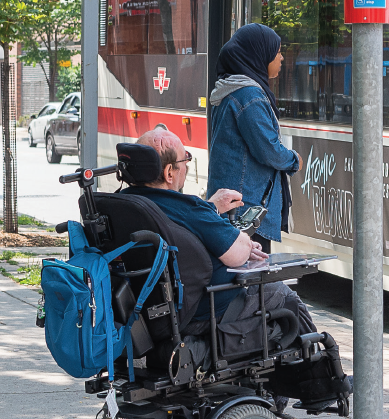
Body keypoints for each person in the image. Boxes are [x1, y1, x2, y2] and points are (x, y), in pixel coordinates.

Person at [123, 128, 315, 339]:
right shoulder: (187, 208)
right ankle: (323, 366)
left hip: (147, 315)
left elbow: (184, 230)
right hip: (202, 311)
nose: (186, 164)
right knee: (283, 296)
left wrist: (210, 208)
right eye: (185, 159)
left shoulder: (126, 204)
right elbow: (238, 253)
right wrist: (245, 243)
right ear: (169, 172)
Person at [208, 23, 301, 254]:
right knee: (252, 279)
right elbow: (267, 149)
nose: (281, 58)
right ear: (259, 55)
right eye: (276, 52)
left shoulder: (231, 89)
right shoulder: (249, 95)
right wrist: (293, 159)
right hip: (247, 209)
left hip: (234, 204)